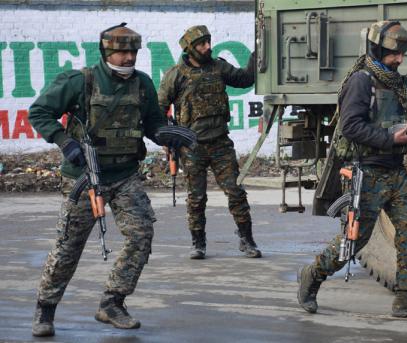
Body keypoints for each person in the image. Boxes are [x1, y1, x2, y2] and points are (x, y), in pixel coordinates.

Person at [28, 23, 196, 337]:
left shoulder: (143, 84)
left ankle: (112, 302)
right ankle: (45, 309)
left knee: (141, 234)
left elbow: (152, 123)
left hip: (124, 175)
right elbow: (38, 112)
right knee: (68, 247)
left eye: (133, 51)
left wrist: (165, 134)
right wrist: (65, 142)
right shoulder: (80, 81)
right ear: (107, 51)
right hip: (84, 176)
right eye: (122, 51)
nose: (128, 57)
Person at [297, 20, 407, 318]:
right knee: (354, 240)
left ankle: (405, 299)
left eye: (402, 53)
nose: (399, 59)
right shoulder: (362, 81)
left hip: (395, 170)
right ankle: (312, 275)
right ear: (376, 49)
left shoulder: (401, 83)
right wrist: (390, 138)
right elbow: (351, 126)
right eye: (393, 53)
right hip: (367, 171)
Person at [157, 25, 261, 259]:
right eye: (202, 44)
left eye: (208, 42)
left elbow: (244, 79)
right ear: (190, 49)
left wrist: (257, 54)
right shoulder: (176, 75)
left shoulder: (218, 66)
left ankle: (247, 240)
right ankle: (198, 243)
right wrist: (167, 138)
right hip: (191, 147)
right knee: (196, 197)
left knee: (235, 192)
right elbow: (159, 109)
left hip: (220, 144)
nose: (207, 47)